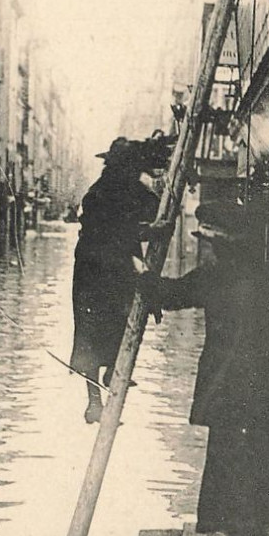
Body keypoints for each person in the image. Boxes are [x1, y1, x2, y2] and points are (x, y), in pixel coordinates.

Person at [139, 200, 269, 536]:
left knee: (229, 456)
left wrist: (141, 278)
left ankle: (234, 533)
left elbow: (170, 293)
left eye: (212, 244)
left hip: (232, 388)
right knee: (265, 455)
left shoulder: (216, 278)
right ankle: (261, 530)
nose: (210, 251)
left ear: (226, 247)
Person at [70, 136, 168, 424]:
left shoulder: (128, 191)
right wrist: (148, 230)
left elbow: (147, 212)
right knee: (90, 336)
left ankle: (112, 375)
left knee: (114, 326)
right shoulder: (99, 194)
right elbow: (113, 232)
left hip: (115, 270)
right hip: (93, 273)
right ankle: (93, 403)